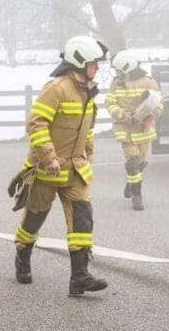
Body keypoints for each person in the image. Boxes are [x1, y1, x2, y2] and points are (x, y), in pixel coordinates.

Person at [13, 35, 109, 296]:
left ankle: (79, 276)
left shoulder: (88, 92)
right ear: (79, 63)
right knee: (35, 215)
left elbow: (86, 129)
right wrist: (49, 157)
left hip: (76, 169)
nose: (97, 68)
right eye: (93, 63)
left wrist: (88, 152)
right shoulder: (56, 88)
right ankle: (23, 252)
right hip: (48, 169)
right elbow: (36, 124)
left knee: (82, 217)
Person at [104, 51, 164, 210]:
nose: (117, 73)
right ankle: (137, 197)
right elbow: (110, 103)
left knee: (141, 163)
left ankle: (130, 184)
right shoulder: (116, 83)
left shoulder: (149, 82)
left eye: (119, 70)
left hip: (144, 129)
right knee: (133, 163)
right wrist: (123, 115)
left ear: (126, 68)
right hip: (125, 129)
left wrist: (151, 114)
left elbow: (158, 103)